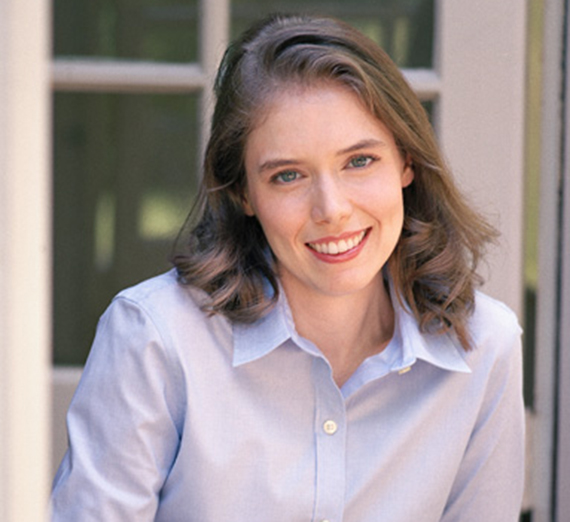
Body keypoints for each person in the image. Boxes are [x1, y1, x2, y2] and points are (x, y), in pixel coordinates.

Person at [50, 13, 525, 522]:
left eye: (359, 161)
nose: (331, 208)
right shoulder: (156, 338)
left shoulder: (484, 347)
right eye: (288, 175)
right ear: (243, 194)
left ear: (406, 161)